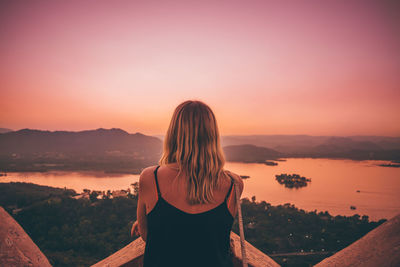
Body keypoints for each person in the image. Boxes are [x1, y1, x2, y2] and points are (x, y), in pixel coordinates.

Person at [131, 100, 244, 267]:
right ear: (212, 136)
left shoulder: (150, 178)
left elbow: (147, 235)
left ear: (173, 133)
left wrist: (160, 219)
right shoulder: (234, 183)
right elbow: (213, 232)